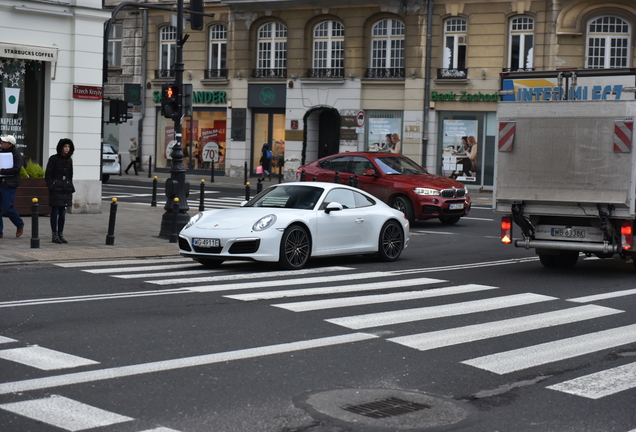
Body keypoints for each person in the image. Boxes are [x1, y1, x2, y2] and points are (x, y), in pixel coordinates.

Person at [45, 138, 75, 244]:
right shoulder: (53, 159)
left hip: (65, 189)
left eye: (68, 147)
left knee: (63, 213)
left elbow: (70, 175)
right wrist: (51, 186)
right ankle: (54, 234)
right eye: (65, 146)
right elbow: (48, 174)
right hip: (56, 188)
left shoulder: (69, 160)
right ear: (61, 147)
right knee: (55, 212)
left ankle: (60, 234)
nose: (67, 149)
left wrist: (70, 186)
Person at [0, 135, 25, 238]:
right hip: (0, 182)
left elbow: (16, 170)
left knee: (7, 207)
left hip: (9, 184)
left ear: (10, 144)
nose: (2, 143)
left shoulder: (17, 155)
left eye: (4, 142)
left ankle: (19, 224)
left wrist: (2, 171)